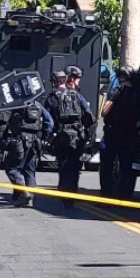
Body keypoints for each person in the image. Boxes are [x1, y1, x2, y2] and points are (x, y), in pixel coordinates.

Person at [46, 66, 95, 208]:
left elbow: (47, 119)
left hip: (61, 137)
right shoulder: (76, 95)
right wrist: (83, 130)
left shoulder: (52, 98)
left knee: (63, 166)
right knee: (74, 166)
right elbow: (89, 116)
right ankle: (72, 194)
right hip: (77, 137)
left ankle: (64, 194)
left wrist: (48, 136)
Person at [99, 65, 140, 200]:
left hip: (113, 134)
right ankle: (125, 197)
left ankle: (106, 196)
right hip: (130, 134)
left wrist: (113, 99)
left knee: (106, 167)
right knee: (128, 167)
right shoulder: (138, 94)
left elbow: (104, 112)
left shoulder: (117, 90)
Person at [2, 99, 53, 208]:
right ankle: (29, 199)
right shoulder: (39, 105)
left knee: (11, 168)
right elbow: (50, 122)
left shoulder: (17, 104)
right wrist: (43, 136)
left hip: (19, 140)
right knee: (30, 170)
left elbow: (7, 121)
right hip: (35, 141)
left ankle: (24, 192)